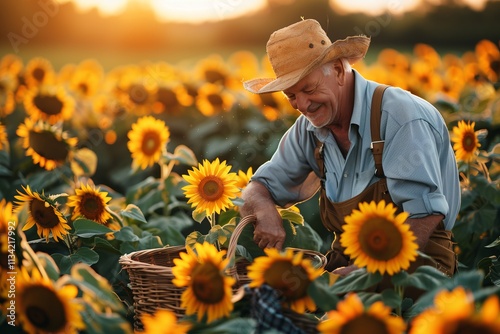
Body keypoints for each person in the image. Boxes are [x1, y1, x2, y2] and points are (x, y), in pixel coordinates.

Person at [240, 18, 460, 278]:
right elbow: (255, 188)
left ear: (337, 70)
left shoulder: (399, 116)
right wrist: (264, 209)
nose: (301, 104)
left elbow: (425, 215)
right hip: (347, 268)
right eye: (290, 95)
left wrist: (366, 272)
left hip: (416, 274)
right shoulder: (308, 129)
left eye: (308, 89)